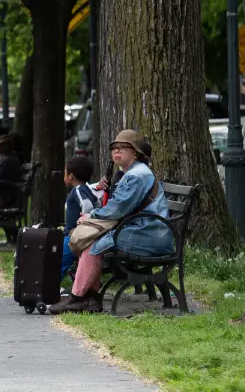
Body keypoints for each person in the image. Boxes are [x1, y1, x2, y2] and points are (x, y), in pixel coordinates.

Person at [50, 129, 173, 315]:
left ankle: (77, 297)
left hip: (149, 234)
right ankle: (90, 297)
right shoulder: (131, 173)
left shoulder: (137, 175)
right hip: (142, 229)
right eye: (114, 148)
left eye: (123, 148)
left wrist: (91, 216)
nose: (116, 151)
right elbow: (119, 206)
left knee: (95, 243)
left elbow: (118, 208)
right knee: (94, 240)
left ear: (135, 153)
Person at [60, 155, 103, 280]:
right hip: (74, 235)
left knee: (59, 262)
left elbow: (87, 206)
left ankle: (49, 290)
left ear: (71, 176)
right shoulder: (87, 189)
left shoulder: (78, 190)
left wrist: (83, 223)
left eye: (65, 172)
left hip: (73, 237)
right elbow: (97, 204)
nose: (64, 175)